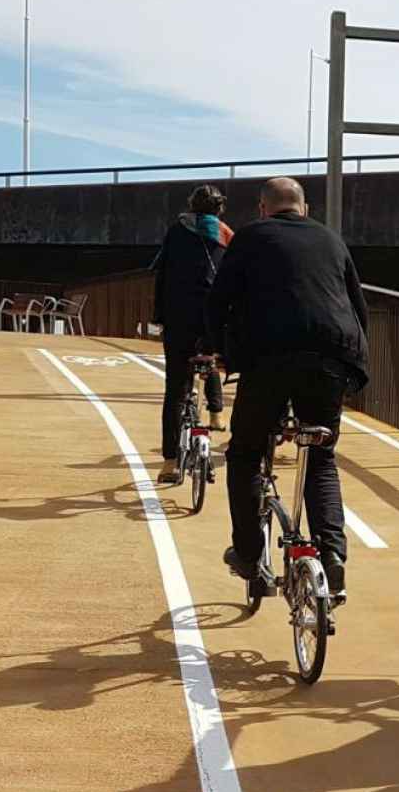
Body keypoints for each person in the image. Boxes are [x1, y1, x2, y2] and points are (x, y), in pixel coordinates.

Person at [206, 177, 368, 603]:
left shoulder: (250, 237)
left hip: (269, 357)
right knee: (321, 456)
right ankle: (332, 555)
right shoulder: (332, 240)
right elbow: (357, 306)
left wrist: (218, 350)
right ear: (305, 208)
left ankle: (247, 554)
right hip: (333, 354)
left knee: (244, 453)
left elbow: (219, 300)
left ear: (263, 209)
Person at [152, 185, 233, 483]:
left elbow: (162, 275)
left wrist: (159, 315)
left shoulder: (177, 231)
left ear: (192, 206)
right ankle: (215, 415)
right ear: (219, 208)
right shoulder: (227, 235)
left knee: (176, 388)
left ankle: (170, 462)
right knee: (211, 363)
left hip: (179, 318)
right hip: (214, 321)